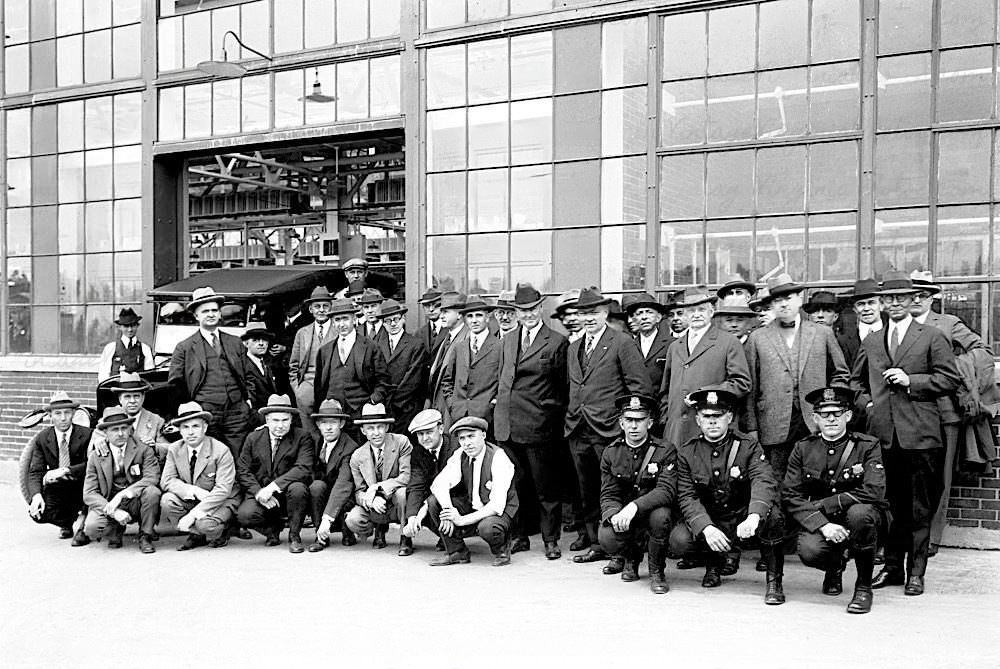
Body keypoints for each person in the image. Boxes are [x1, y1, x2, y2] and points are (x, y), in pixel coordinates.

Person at [851, 271, 961, 596]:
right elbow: (855, 382)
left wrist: (912, 380)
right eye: (889, 298)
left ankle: (917, 572)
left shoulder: (931, 336)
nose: (895, 303)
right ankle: (893, 568)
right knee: (891, 504)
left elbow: (949, 378)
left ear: (914, 300)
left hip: (921, 435)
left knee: (919, 506)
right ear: (882, 302)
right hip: (883, 436)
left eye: (902, 297)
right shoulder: (872, 341)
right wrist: (868, 405)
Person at [669, 387, 786, 605]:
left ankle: (774, 582)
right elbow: (687, 496)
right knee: (679, 540)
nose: (712, 422)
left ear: (729, 417)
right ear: (698, 420)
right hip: (713, 519)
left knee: (773, 517)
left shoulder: (747, 446)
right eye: (706, 416)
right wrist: (705, 527)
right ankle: (713, 567)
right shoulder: (687, 452)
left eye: (718, 416)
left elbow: (764, 480)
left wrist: (754, 516)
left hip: (742, 517)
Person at [565, 287, 652, 565]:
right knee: (587, 490)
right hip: (578, 429)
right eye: (584, 314)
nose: (589, 318)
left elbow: (638, 387)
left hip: (609, 430)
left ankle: (622, 550)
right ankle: (596, 543)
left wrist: (627, 425)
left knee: (615, 490)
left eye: (594, 313)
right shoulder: (573, 347)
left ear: (605, 314)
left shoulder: (622, 342)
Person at [783, 386, 887, 614]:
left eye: (837, 414)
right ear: (815, 418)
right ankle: (835, 567)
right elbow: (790, 495)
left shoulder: (867, 446)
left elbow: (874, 490)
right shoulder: (803, 448)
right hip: (824, 521)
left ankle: (863, 587)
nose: (831, 419)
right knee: (809, 550)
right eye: (824, 415)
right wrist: (823, 524)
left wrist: (828, 504)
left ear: (848, 416)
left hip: (862, 519)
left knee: (860, 515)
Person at [909, 270, 991, 553]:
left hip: (944, 411)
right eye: (912, 295)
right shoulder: (897, 326)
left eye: (923, 295)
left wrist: (954, 367)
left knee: (940, 476)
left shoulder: (947, 323)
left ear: (932, 298)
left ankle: (931, 536)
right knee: (908, 476)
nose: (916, 300)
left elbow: (982, 350)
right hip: (908, 412)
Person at [744, 274, 850, 485]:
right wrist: (752, 428)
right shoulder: (757, 338)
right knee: (777, 480)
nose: (784, 304)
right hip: (773, 423)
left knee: (818, 478)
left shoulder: (822, 333)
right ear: (772, 305)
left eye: (789, 297)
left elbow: (841, 373)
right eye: (777, 300)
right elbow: (751, 388)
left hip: (814, 420)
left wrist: (830, 406)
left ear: (800, 298)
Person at [494, 284, 569, 559]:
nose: (527, 315)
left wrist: (547, 416)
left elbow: (563, 390)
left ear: (541, 309)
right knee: (516, 484)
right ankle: (520, 535)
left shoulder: (557, 342)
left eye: (532, 310)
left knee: (545, 487)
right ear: (516, 312)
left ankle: (550, 540)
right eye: (522, 311)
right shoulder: (508, 340)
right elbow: (503, 379)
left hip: (539, 427)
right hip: (507, 425)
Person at [598, 395, 677, 594]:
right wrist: (613, 514)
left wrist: (635, 507)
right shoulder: (611, 453)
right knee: (607, 535)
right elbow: (608, 493)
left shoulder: (664, 450)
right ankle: (630, 561)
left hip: (651, 513)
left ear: (649, 423)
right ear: (621, 423)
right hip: (625, 517)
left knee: (661, 517)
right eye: (629, 420)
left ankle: (657, 571)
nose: (634, 426)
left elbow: (666, 490)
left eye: (640, 420)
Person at [168, 286, 259, 454]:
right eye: (205, 311)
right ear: (196, 315)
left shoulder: (235, 342)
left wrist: (249, 401)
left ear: (219, 313)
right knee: (209, 457)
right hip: (205, 412)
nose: (211, 314)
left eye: (214, 310)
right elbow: (175, 383)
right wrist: (190, 407)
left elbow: (250, 375)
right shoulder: (184, 348)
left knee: (239, 457)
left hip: (236, 412)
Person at [657, 287, 751, 450]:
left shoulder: (728, 342)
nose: (696, 314)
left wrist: (703, 394)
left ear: (711, 311)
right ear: (685, 314)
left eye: (701, 309)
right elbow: (665, 390)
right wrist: (668, 419)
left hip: (712, 428)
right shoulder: (675, 347)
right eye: (691, 310)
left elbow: (742, 383)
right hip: (676, 432)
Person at [424, 416, 519, 567]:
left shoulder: (498, 457)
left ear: (483, 435)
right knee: (434, 502)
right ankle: (457, 552)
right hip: (474, 504)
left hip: (500, 512)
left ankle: (501, 549)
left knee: (487, 528)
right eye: (462, 438)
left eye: (471, 436)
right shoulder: (461, 454)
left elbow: (496, 506)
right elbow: (438, 484)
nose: (467, 443)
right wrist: (449, 511)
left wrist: (460, 520)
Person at [236, 394, 314, 553]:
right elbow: (243, 469)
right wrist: (258, 492)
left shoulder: (302, 437)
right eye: (275, 420)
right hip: (262, 494)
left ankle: (294, 536)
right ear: (267, 420)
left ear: (291, 419)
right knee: (244, 515)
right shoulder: (253, 438)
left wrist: (272, 487)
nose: (280, 425)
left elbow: (303, 468)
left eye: (285, 420)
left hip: (288, 494)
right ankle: (272, 530)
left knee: (299, 489)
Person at [160, 402, 241, 551]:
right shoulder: (174, 449)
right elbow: (167, 480)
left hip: (220, 500)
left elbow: (223, 490)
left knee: (205, 525)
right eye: (185, 427)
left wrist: (192, 516)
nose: (190, 432)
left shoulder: (220, 450)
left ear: (205, 427)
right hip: (195, 498)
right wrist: (192, 490)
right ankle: (197, 535)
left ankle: (225, 528)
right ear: (179, 430)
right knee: (167, 501)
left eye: (195, 426)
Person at [81, 407, 161, 553]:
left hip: (135, 500)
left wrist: (123, 494)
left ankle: (145, 535)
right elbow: (89, 493)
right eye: (114, 429)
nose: (120, 433)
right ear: (105, 432)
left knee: (152, 492)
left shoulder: (143, 449)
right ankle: (115, 528)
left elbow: (152, 477)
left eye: (124, 428)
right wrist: (114, 512)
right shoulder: (96, 456)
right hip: (110, 502)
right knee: (92, 528)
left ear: (130, 428)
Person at [312, 297, 391, 440]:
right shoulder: (325, 351)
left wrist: (371, 402)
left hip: (360, 414)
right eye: (337, 320)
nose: (341, 324)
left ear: (354, 319)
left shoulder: (370, 347)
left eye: (345, 319)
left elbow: (383, 381)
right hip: (333, 416)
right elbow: (319, 387)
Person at [26, 392, 93, 544]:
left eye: (67, 413)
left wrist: (66, 470)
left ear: (73, 413)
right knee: (39, 513)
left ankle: (84, 524)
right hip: (60, 487)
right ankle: (66, 523)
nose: (63, 418)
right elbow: (36, 471)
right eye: (58, 413)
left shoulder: (87, 434)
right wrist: (36, 496)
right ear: (50, 415)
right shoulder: (42, 438)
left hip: (83, 484)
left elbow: (93, 464)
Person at [344, 403, 413, 551]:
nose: (376, 432)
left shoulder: (401, 442)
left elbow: (406, 476)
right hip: (375, 505)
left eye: (380, 427)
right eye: (370, 428)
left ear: (387, 427)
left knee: (403, 493)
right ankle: (377, 529)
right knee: (352, 519)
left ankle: (405, 537)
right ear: (363, 431)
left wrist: (378, 488)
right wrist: (372, 500)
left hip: (395, 499)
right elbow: (359, 492)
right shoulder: (357, 456)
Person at [400, 409, 459, 555]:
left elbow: (460, 484)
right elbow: (416, 486)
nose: (425, 438)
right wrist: (412, 518)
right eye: (420, 434)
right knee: (413, 500)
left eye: (429, 432)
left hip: (459, 497)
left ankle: (454, 540)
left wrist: (429, 508)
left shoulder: (456, 447)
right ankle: (443, 535)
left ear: (440, 428)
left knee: (433, 502)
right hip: (434, 498)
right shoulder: (418, 452)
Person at [441, 295, 501, 426]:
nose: (474, 320)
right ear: (465, 319)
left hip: (487, 418)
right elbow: (447, 381)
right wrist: (453, 405)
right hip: (460, 416)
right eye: (470, 316)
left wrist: (492, 405)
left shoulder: (499, 346)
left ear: (487, 317)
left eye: (478, 315)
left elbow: (503, 383)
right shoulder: (459, 347)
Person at [310, 399, 362, 552]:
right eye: (324, 423)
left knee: (343, 497)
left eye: (333, 422)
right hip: (323, 494)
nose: (329, 427)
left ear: (341, 424)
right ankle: (320, 536)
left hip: (345, 495)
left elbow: (344, 484)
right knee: (316, 487)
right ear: (318, 425)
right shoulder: (315, 442)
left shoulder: (350, 447)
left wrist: (327, 520)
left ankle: (347, 529)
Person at [288, 285, 337, 438]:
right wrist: (298, 390)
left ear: (331, 308)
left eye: (325, 306)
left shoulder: (338, 330)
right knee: (309, 432)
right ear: (311, 309)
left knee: (331, 426)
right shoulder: (302, 333)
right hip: (307, 386)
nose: (321, 310)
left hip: (331, 385)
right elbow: (293, 365)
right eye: (317, 306)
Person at [376, 299, 428, 437]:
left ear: (403, 319)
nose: (393, 324)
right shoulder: (376, 344)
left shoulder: (415, 344)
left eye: (396, 319)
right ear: (383, 323)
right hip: (382, 407)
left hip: (406, 407)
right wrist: (381, 401)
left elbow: (413, 379)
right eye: (388, 321)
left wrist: (393, 401)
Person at [96, 372, 169, 465]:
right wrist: (98, 440)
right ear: (120, 399)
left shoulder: (155, 420)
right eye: (127, 397)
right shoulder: (108, 418)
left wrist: (155, 446)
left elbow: (169, 448)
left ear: (143, 397)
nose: (132, 401)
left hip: (146, 470)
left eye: (136, 396)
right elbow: (95, 440)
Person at [425, 291, 468, 425]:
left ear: (460, 314)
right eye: (441, 311)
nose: (441, 316)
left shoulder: (466, 338)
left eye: (446, 312)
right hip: (441, 407)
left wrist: (453, 407)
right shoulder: (448, 337)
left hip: (454, 410)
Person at [623, 292, 671, 392]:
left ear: (658, 318)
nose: (644, 317)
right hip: (637, 403)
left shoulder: (672, 344)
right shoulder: (628, 345)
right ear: (635, 320)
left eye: (649, 312)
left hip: (662, 403)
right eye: (640, 313)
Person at [242, 328, 290, 417]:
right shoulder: (242, 366)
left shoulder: (268, 363)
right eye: (255, 340)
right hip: (254, 417)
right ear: (246, 343)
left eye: (264, 339)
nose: (261, 343)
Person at [836, 278, 883, 369]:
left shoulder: (893, 332)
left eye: (871, 303)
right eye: (861, 304)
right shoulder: (843, 340)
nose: (866, 308)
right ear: (854, 309)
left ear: (881, 305)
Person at [97, 307, 154, 382]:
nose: (130, 329)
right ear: (120, 327)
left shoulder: (145, 349)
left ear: (137, 326)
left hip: (138, 390)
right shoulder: (111, 348)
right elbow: (103, 374)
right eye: (126, 326)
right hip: (116, 390)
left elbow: (150, 374)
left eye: (133, 325)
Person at [416, 287, 445, 357]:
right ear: (423, 307)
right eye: (427, 305)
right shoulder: (418, 334)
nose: (431, 309)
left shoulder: (451, 330)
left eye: (436, 305)